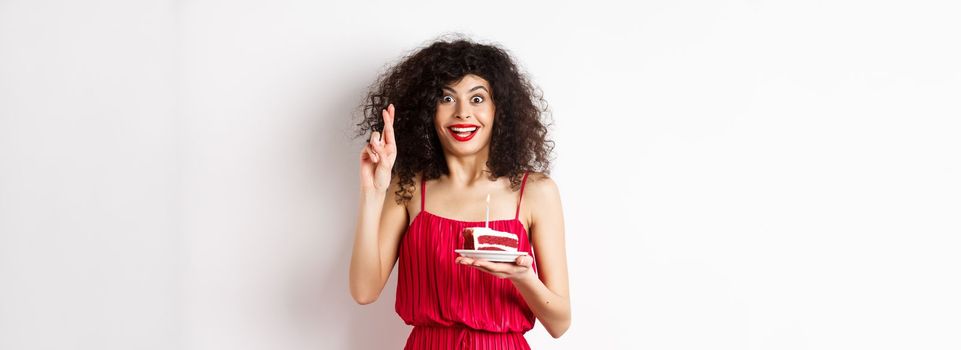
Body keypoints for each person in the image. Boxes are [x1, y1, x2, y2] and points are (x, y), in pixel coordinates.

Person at [349, 37, 570, 349]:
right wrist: (372, 193)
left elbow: (560, 323)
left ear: (499, 110)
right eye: (446, 98)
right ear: (428, 109)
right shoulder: (409, 187)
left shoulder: (535, 192)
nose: (463, 113)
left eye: (477, 99)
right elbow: (364, 291)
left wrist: (522, 277)